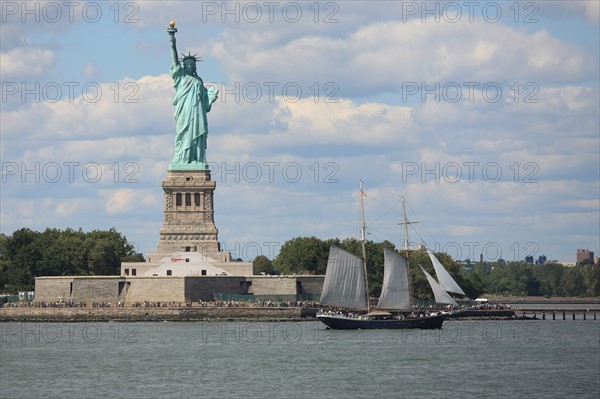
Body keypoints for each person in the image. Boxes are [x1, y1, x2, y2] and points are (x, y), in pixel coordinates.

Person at [168, 27, 219, 168]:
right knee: (183, 134)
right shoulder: (181, 77)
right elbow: (174, 61)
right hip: (184, 112)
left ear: (195, 66)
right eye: (187, 64)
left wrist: (211, 97)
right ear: (184, 65)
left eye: (192, 64)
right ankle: (183, 159)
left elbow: (205, 102)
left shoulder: (198, 81)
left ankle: (198, 159)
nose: (189, 65)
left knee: (197, 135)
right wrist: (172, 41)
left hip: (197, 113)